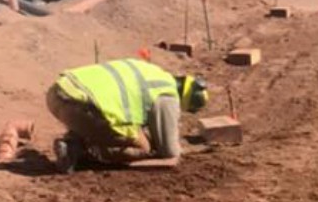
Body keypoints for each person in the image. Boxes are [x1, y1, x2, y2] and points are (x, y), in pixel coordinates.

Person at [45, 57, 208, 173]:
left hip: (57, 94)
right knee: (143, 147)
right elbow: (169, 151)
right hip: (81, 107)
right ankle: (78, 150)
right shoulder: (167, 94)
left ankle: (74, 139)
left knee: (114, 126)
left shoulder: (153, 73)